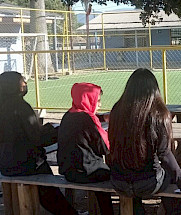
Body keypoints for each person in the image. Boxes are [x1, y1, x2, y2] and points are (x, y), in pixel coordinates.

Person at [108, 68, 181, 214]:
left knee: (136, 185)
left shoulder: (117, 111)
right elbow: (165, 154)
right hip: (148, 183)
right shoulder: (158, 115)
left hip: (119, 181)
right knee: (170, 178)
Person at [0, 71, 78, 215]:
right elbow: (39, 139)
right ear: (13, 86)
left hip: (5, 164)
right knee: (50, 192)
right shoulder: (21, 107)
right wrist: (59, 131)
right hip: (25, 165)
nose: (25, 83)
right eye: (22, 81)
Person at [57, 82, 114, 215]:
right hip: (87, 172)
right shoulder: (89, 119)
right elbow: (105, 148)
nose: (99, 104)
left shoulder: (67, 116)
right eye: (97, 100)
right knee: (114, 174)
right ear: (88, 99)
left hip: (68, 172)